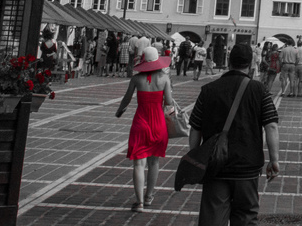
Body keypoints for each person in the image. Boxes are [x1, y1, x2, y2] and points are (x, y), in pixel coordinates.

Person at [188, 41, 280, 226]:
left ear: (229, 61)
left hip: (215, 166)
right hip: (247, 165)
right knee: (246, 217)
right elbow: (271, 126)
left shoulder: (208, 90)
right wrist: (274, 159)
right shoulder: (259, 90)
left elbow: (195, 128)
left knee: (212, 219)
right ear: (250, 63)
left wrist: (197, 157)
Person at [115, 45, 180, 212]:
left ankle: (139, 203)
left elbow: (126, 99)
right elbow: (169, 103)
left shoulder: (136, 79)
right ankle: (149, 196)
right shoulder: (164, 78)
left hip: (140, 123)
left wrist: (119, 111)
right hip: (158, 123)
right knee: (154, 161)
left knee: (138, 163)